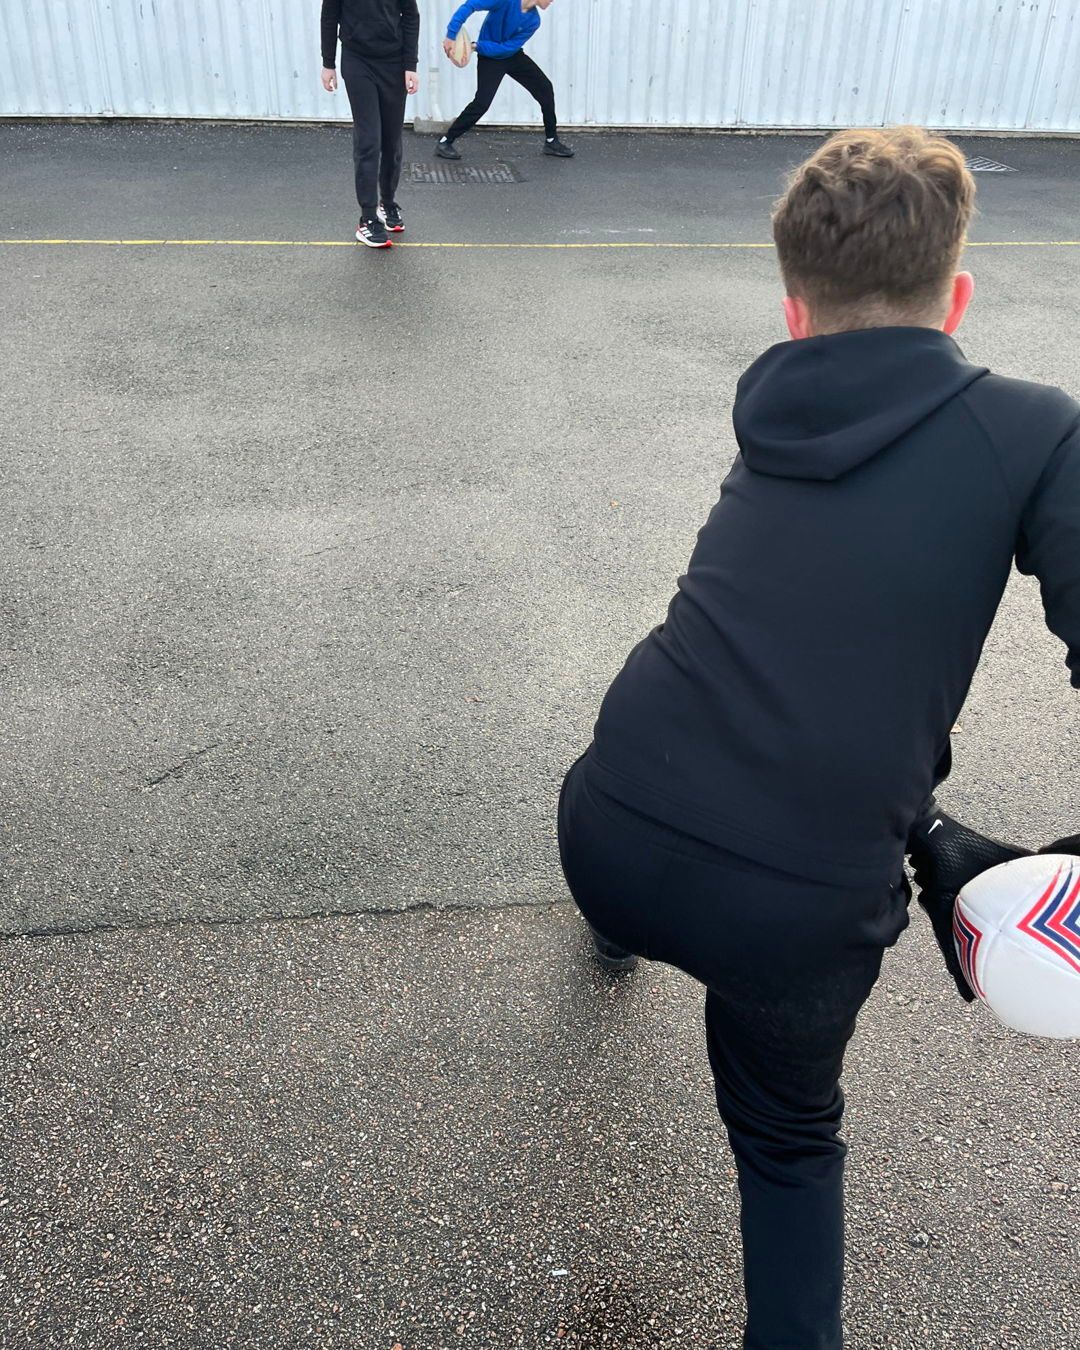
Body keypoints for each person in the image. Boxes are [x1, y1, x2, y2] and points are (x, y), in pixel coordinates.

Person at [557, 127, 1080, 1349]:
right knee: (787, 1145)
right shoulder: (1032, 431)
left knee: (664, 821)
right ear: (955, 298)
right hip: (789, 916)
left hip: (609, 826)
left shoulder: (773, 405)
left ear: (795, 312)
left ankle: (617, 941)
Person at [321, 0, 420, 248]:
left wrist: (411, 65)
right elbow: (329, 16)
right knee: (369, 141)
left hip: (394, 62)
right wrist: (328, 63)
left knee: (392, 141)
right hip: (358, 61)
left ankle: (387, 203)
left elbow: (410, 16)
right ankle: (367, 218)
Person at [436, 0, 574, 161]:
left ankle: (551, 141)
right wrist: (451, 35)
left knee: (545, 88)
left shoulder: (534, 21)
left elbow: (508, 47)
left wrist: (476, 46)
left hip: (512, 55)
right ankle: (446, 141)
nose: (552, 1)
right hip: (490, 60)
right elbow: (470, 5)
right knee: (482, 103)